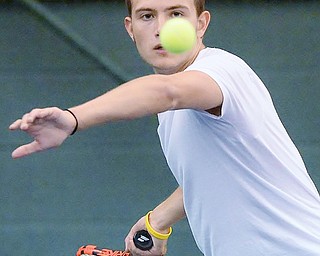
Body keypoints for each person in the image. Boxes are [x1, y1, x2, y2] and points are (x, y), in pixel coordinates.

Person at [9, 0, 320, 255]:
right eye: (147, 16)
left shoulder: (220, 71)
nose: (161, 29)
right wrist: (157, 221)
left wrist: (74, 118)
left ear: (201, 24)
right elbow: (216, 171)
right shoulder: (175, 111)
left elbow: (166, 92)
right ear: (130, 28)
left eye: (176, 14)